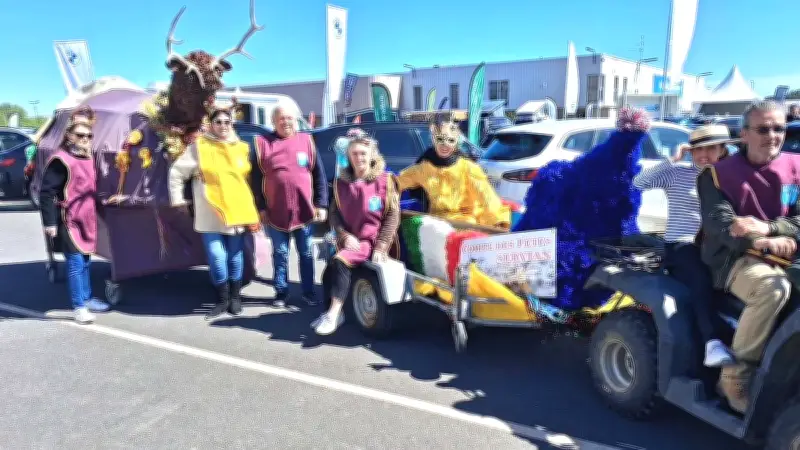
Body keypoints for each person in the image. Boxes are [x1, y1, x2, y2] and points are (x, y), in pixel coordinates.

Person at [697, 100, 797, 413]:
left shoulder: (796, 168)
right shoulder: (717, 175)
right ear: (744, 134)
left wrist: (771, 229)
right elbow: (722, 226)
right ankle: (734, 378)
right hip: (735, 260)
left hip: (788, 252)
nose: (773, 136)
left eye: (779, 128)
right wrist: (766, 243)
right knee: (772, 289)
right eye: (763, 129)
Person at [634, 125, 734, 367]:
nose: (704, 155)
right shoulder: (678, 173)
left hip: (720, 245)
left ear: (722, 149)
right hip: (683, 242)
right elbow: (639, 183)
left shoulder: (729, 177)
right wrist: (672, 159)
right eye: (698, 149)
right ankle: (712, 341)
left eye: (711, 148)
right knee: (700, 277)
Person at [169, 102, 261, 319]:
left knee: (235, 256)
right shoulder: (199, 147)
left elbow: (250, 179)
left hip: (237, 210)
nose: (223, 125)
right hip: (209, 211)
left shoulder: (242, 147)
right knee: (217, 256)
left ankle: (235, 297)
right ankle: (222, 298)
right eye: (218, 122)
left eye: (226, 122)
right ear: (211, 124)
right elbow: (177, 172)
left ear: (232, 124)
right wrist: (178, 199)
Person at [311, 128, 401, 335]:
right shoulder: (341, 183)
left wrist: (381, 246)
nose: (359, 158)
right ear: (348, 156)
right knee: (329, 273)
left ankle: (334, 314)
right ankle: (332, 311)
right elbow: (334, 215)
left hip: (372, 241)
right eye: (354, 154)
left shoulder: (385, 181)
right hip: (351, 239)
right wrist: (344, 235)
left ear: (372, 155)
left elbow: (392, 216)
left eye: (363, 153)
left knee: (340, 261)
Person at [39, 107, 111, 324]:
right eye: (80, 135)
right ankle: (79, 306)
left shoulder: (88, 157)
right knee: (76, 262)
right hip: (68, 218)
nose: (85, 139)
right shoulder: (60, 160)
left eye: (88, 135)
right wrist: (50, 222)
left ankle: (87, 298)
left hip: (86, 216)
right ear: (69, 136)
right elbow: (46, 192)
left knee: (86, 260)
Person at [252, 106, 328, 307]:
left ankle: (308, 292)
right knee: (281, 253)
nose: (286, 122)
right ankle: (281, 292)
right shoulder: (263, 144)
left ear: (296, 120)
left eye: (289, 118)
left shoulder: (307, 141)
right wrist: (261, 208)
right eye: (281, 119)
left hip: (304, 210)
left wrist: (321, 204)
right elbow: (256, 180)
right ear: (273, 122)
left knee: (306, 253)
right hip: (275, 211)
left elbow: (319, 175)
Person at [395, 113, 510, 228]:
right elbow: (397, 182)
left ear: (456, 142)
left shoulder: (468, 168)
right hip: (436, 224)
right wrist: (385, 184)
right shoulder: (424, 168)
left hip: (465, 224)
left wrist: (498, 222)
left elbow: (486, 197)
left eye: (450, 140)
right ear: (434, 140)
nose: (445, 145)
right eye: (440, 139)